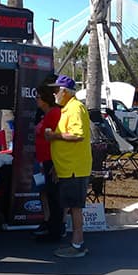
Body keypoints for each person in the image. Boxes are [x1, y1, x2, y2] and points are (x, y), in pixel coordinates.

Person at [45, 74, 92, 258]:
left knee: (75, 207)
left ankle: (78, 244)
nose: (54, 93)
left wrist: (54, 136)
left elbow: (77, 135)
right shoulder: (67, 109)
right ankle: (76, 243)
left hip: (75, 168)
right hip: (68, 167)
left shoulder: (75, 109)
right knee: (72, 206)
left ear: (65, 92)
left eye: (57, 90)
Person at [33, 82, 65, 243]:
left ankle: (56, 231)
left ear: (45, 99)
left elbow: (57, 138)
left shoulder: (54, 114)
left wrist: (55, 163)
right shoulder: (44, 114)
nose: (36, 100)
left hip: (51, 159)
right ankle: (50, 225)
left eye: (38, 97)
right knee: (47, 193)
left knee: (54, 195)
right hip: (42, 159)